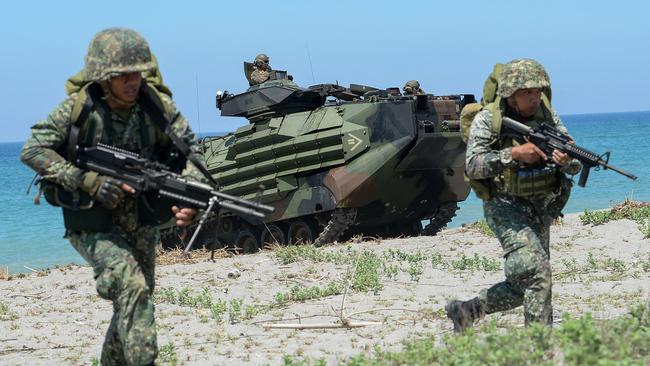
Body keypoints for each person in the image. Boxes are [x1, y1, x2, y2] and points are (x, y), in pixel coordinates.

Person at [20, 28, 204, 365]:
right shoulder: (79, 110)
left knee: (133, 300)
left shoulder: (157, 108)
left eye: (138, 72)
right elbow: (33, 150)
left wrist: (189, 198)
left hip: (142, 222)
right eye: (122, 75)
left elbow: (194, 154)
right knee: (132, 288)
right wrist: (84, 179)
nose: (133, 81)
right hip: (93, 223)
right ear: (103, 77)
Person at [446, 59, 581, 332]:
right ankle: (539, 347)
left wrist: (566, 161)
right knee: (536, 274)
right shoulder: (488, 120)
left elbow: (575, 162)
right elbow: (472, 165)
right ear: (510, 94)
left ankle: (466, 311)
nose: (534, 98)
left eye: (537, 91)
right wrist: (514, 154)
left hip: (541, 207)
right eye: (526, 93)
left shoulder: (548, 116)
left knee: (526, 284)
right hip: (504, 206)